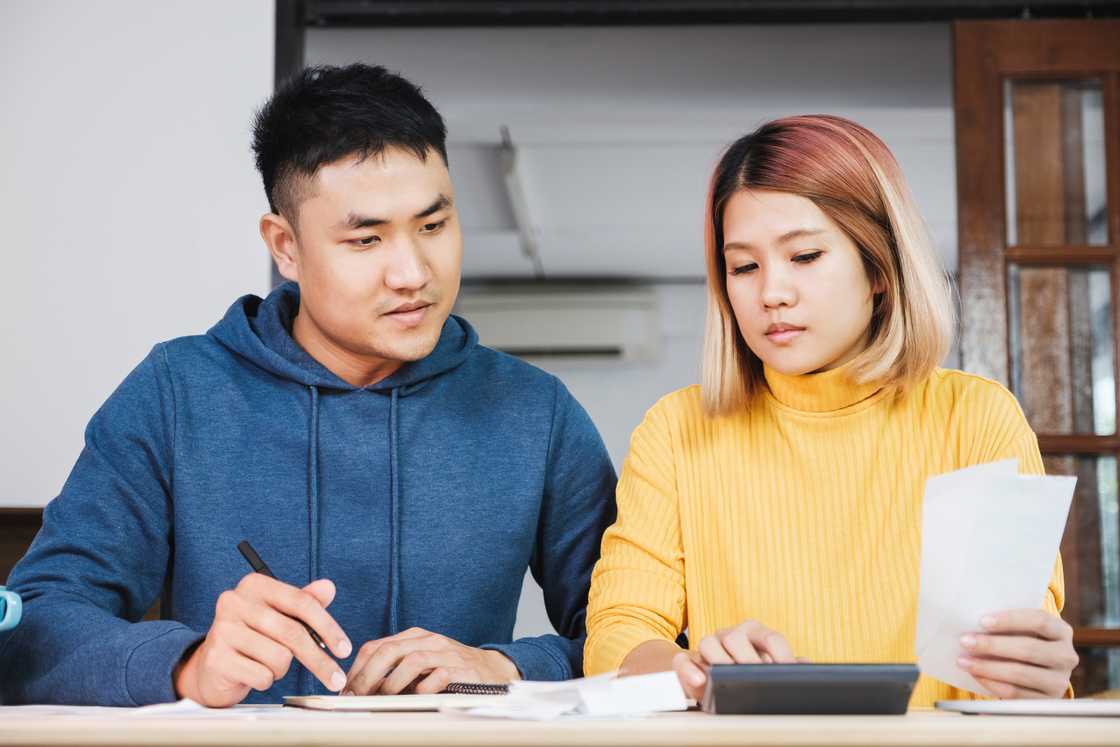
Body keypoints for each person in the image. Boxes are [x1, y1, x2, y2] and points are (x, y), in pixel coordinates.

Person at [0, 64, 616, 707]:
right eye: (366, 238)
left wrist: (505, 666)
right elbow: (31, 630)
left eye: (433, 226)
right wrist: (187, 663)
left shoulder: (534, 411)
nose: (412, 272)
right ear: (285, 247)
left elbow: (641, 641)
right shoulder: (175, 394)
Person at [583, 115, 1077, 706]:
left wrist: (1033, 673)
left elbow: (1015, 661)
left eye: (806, 256)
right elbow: (617, 635)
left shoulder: (974, 418)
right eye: (744, 267)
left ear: (879, 267)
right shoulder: (677, 430)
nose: (771, 293)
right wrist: (690, 669)